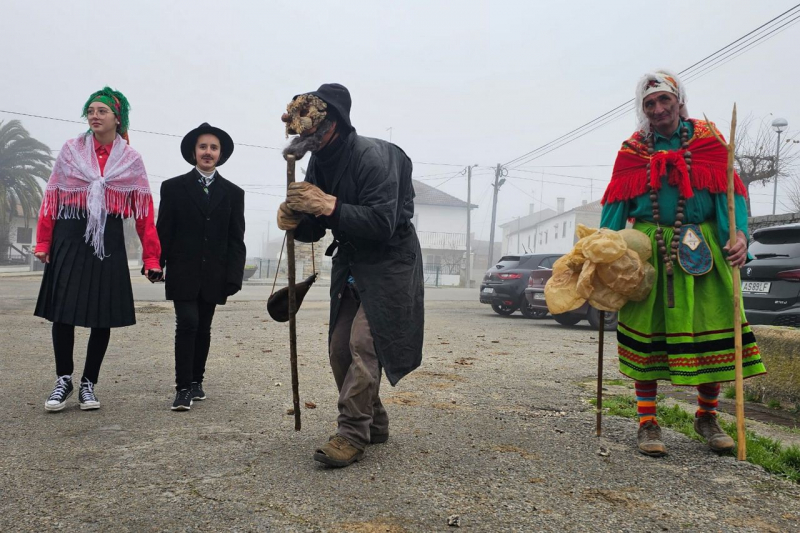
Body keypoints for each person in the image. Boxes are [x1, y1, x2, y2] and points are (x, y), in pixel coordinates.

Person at [600, 70, 766, 456]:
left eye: (664, 100)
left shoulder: (708, 140)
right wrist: (603, 253)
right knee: (649, 334)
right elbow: (615, 204)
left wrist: (738, 237)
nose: (658, 109)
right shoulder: (632, 150)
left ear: (678, 101)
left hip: (704, 250)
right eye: (649, 103)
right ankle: (647, 421)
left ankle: (707, 416)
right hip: (649, 250)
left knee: (714, 326)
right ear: (643, 110)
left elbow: (731, 193)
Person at [278, 83, 424, 467]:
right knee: (339, 348)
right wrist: (295, 221)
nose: (308, 137)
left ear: (336, 123)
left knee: (363, 343)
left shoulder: (375, 157)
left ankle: (351, 434)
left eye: (315, 130)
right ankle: (374, 422)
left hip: (391, 262)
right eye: (302, 132)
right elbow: (317, 228)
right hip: (352, 263)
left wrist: (327, 203)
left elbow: (382, 222)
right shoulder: (318, 160)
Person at [35, 86, 162, 412]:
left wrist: (151, 257)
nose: (94, 115)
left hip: (108, 239)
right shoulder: (70, 150)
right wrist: (43, 241)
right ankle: (64, 379)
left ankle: (89, 383)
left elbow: (144, 211)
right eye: (90, 110)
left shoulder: (131, 160)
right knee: (62, 312)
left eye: (101, 111)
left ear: (117, 119)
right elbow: (53, 196)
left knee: (101, 314)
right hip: (69, 234)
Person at [156, 123, 246, 411]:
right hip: (182, 271)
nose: (208, 152)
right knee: (188, 324)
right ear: (193, 152)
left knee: (204, 328)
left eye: (213, 147)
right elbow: (164, 231)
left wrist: (233, 276)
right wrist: (155, 263)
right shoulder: (173, 188)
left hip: (214, 275)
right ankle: (182, 388)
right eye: (203, 146)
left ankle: (197, 382)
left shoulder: (233, 193)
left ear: (220, 154)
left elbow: (236, 239)